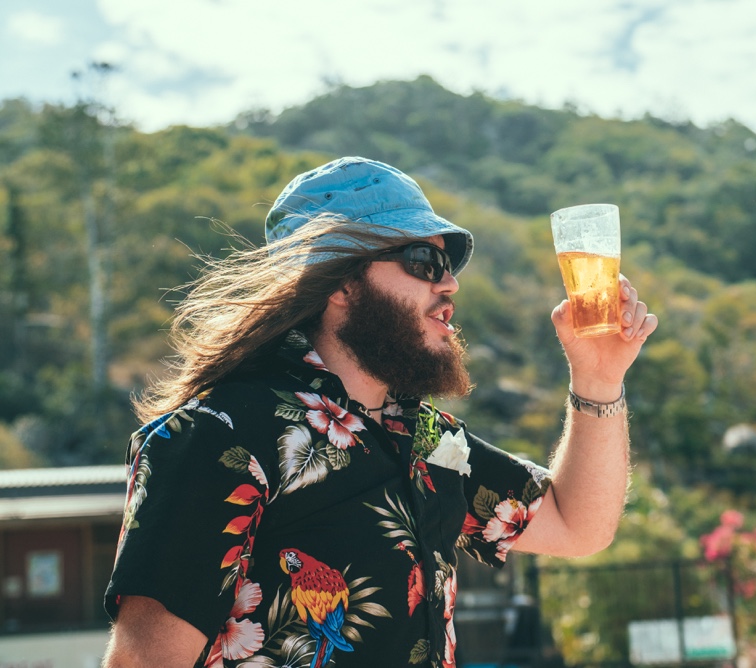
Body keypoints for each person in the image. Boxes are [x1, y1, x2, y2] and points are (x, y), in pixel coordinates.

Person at [102, 156, 657, 668]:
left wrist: (599, 379)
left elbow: (577, 526)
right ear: (341, 280)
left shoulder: (428, 441)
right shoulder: (218, 434)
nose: (450, 283)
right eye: (424, 261)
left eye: (447, 264)